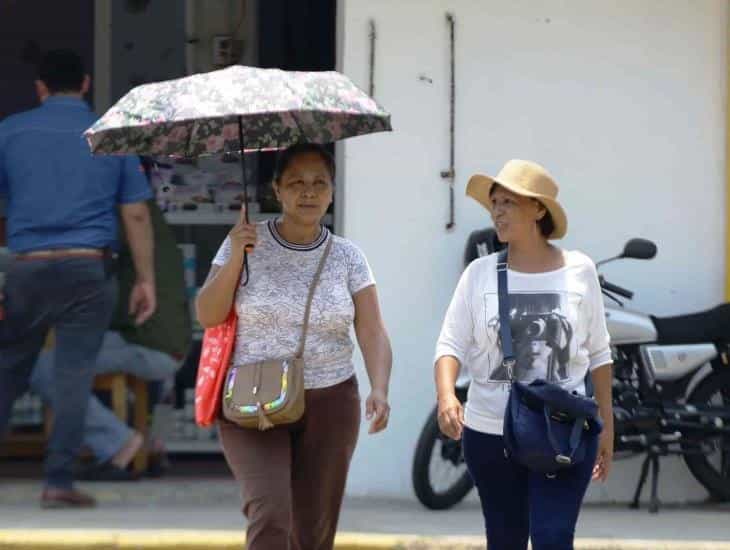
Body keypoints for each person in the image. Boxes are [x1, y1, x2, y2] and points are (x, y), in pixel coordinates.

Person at [196, 143, 393, 550]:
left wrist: (379, 387)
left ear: (332, 191)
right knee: (271, 513)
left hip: (330, 402)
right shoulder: (245, 243)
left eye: (319, 182)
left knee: (313, 531)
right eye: (297, 183)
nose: (309, 192)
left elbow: (371, 329)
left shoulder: (348, 257)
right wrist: (236, 255)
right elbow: (208, 314)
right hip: (252, 402)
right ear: (276, 189)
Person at [0, 49, 156, 508]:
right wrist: (145, 279)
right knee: (72, 377)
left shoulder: (9, 132)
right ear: (86, 84)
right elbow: (136, 214)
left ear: (40, 87)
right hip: (88, 270)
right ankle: (58, 481)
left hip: (25, 267)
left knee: (7, 372)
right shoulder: (110, 135)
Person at [434, 159, 614, 550]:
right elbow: (450, 344)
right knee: (506, 539)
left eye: (508, 202)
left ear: (538, 209)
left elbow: (599, 353)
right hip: (489, 434)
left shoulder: (579, 270)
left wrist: (608, 427)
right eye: (494, 202)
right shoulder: (479, 273)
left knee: (552, 538)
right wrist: (447, 395)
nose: (496, 211)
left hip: (563, 431)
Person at [28, 196, 191, 480]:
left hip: (147, 343)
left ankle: (118, 443)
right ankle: (133, 441)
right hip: (161, 341)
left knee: (44, 368)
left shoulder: (122, 214)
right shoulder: (147, 222)